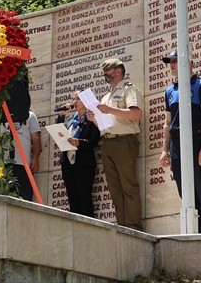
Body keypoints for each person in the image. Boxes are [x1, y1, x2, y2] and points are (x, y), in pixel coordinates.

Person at [159, 50, 201, 234]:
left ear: (189, 62)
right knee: (186, 196)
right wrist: (165, 150)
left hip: (197, 141)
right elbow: (167, 123)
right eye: (169, 62)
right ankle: (196, 235)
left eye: (175, 61)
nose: (171, 65)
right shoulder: (170, 90)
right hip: (177, 145)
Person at [93, 57, 144, 230]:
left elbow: (135, 115)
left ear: (118, 71)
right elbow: (106, 123)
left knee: (128, 185)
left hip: (124, 141)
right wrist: (95, 120)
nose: (105, 74)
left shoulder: (129, 89)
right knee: (115, 188)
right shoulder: (106, 96)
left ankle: (134, 227)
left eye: (108, 71)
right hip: (107, 142)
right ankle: (122, 225)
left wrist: (110, 110)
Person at [57, 97, 100, 218]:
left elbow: (93, 141)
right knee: (72, 197)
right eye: (73, 99)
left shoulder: (92, 119)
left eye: (78, 99)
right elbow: (59, 133)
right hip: (68, 162)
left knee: (84, 197)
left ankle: (88, 230)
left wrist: (79, 142)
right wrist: (62, 116)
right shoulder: (71, 120)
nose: (75, 102)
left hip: (83, 162)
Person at [2, 110, 42, 202]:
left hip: (24, 166)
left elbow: (36, 138)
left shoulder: (30, 115)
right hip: (3, 166)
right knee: (4, 201)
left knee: (25, 199)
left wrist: (35, 159)